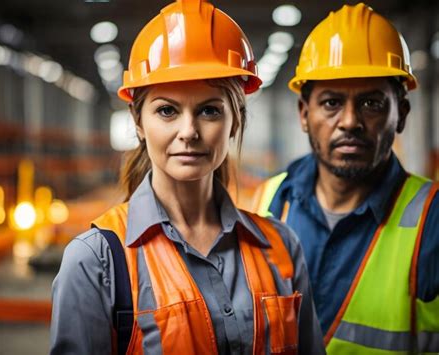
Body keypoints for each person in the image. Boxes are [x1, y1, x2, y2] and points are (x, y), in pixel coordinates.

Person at [50, 0, 324, 354]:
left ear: (235, 121)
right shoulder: (97, 261)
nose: (189, 131)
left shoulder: (282, 248)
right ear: (138, 122)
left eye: (209, 110)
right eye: (167, 110)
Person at [252, 3, 439, 354]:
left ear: (401, 115)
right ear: (304, 114)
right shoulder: (266, 202)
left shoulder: (433, 221)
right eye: (331, 103)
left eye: (371, 104)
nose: (350, 121)